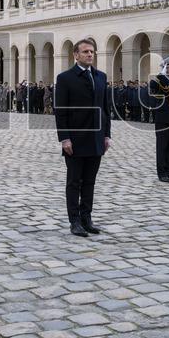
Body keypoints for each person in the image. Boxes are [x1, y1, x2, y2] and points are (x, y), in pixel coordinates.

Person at [54, 39, 111, 237]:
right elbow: (60, 111)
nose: (89, 55)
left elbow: (106, 109)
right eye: (85, 52)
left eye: (92, 52)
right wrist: (65, 138)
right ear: (75, 55)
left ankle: (87, 218)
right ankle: (74, 221)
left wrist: (107, 135)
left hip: (96, 138)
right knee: (74, 182)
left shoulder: (101, 77)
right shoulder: (65, 78)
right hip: (76, 139)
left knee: (90, 181)